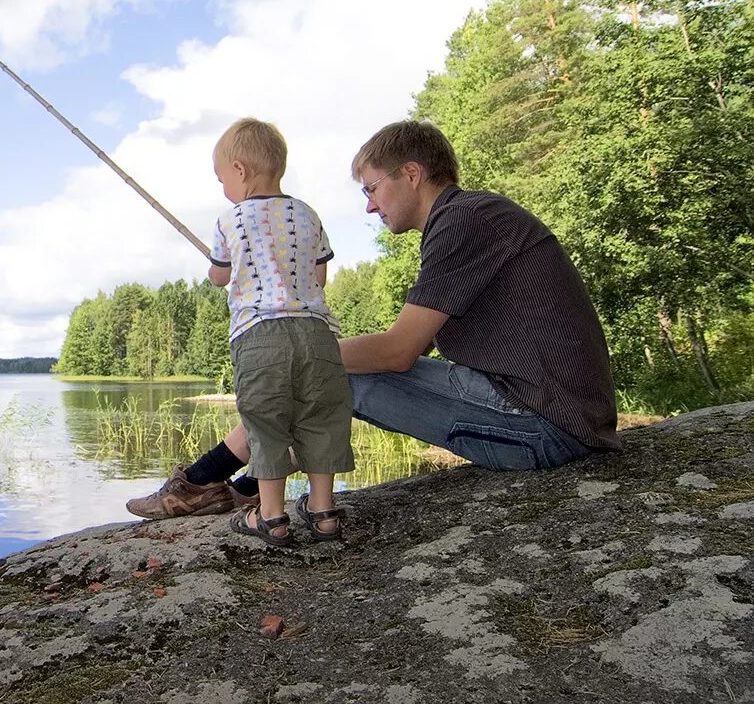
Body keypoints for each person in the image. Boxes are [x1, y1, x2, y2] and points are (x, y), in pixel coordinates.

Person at [127, 119, 621, 520]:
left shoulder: (466, 220)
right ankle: (236, 486)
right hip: (543, 408)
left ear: (410, 173)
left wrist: (293, 349)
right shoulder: (470, 217)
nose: (368, 205)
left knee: (322, 373)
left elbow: (397, 351)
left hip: (546, 424)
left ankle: (205, 482)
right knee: (321, 372)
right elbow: (407, 352)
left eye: (372, 188)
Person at [207, 118, 354, 546]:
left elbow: (219, 278)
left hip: (260, 337)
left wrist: (226, 266)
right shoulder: (306, 213)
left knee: (266, 422)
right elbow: (320, 275)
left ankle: (271, 517)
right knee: (321, 418)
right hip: (317, 335)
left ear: (239, 170)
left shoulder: (228, 221)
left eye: (221, 179)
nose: (223, 189)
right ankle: (324, 513)